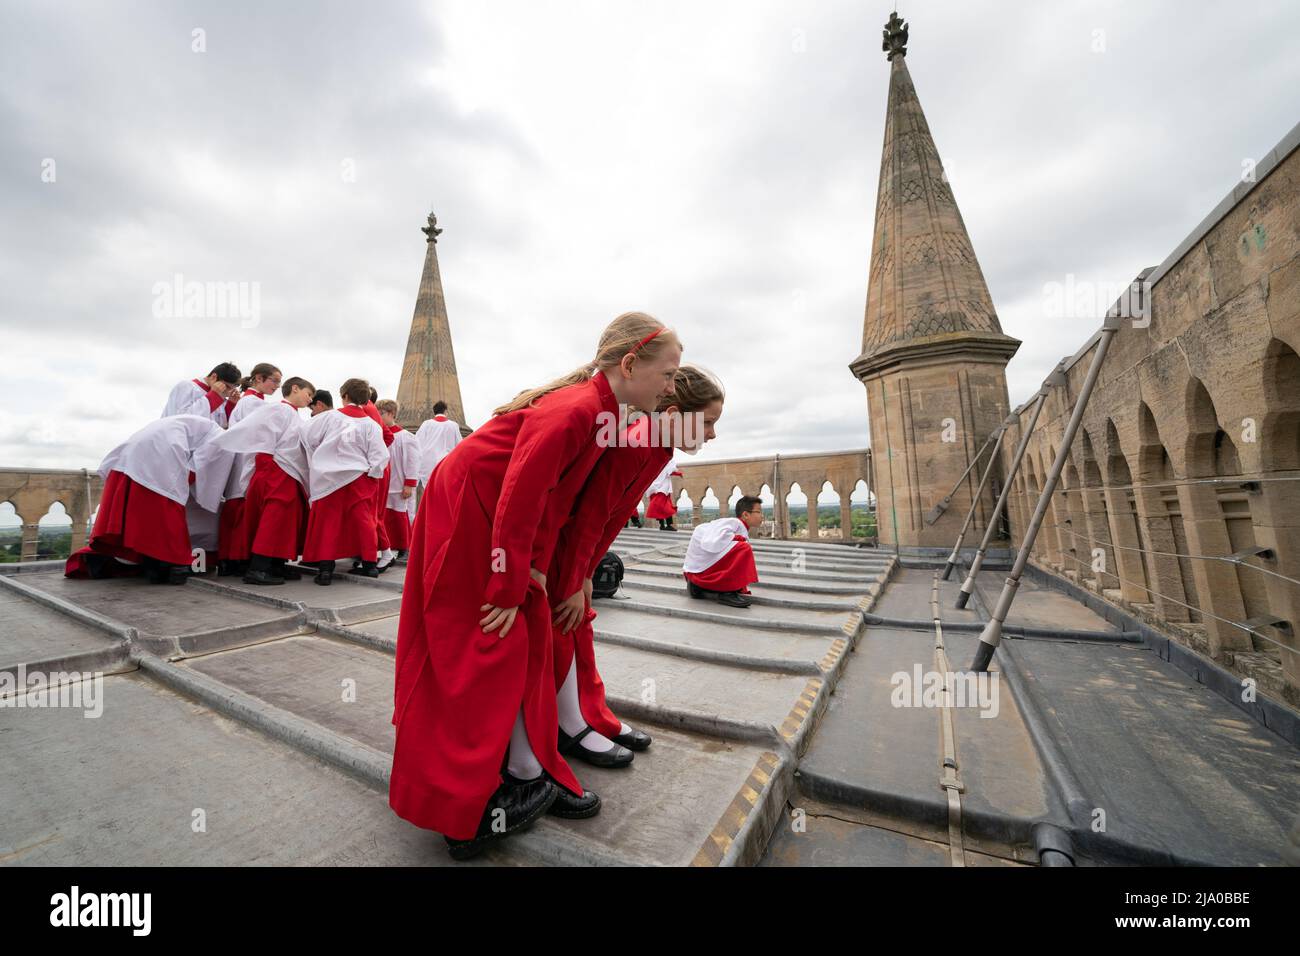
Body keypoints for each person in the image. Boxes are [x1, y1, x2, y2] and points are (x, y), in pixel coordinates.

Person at [390, 311, 681, 861]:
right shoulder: (578, 410)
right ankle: (468, 808)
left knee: (516, 641)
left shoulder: (601, 410)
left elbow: (557, 499)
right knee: (481, 643)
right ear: (629, 364)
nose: (671, 387)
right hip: (473, 507)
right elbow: (522, 494)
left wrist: (539, 570)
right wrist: (506, 584)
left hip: (490, 511)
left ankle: (524, 771)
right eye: (667, 374)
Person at [548, 365, 724, 767]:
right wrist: (575, 579)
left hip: (576, 554)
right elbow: (590, 516)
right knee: (562, 628)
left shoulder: (657, 446)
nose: (713, 434)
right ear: (676, 414)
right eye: (709, 422)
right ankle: (569, 726)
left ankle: (588, 715)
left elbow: (612, 518)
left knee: (578, 627)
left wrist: (588, 574)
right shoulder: (637, 442)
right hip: (559, 548)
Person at [65, 415, 229, 584]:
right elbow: (203, 474)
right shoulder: (221, 437)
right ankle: (169, 567)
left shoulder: (197, 424)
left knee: (140, 525)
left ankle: (108, 561)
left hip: (136, 453)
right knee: (167, 518)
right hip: (162, 454)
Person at [198, 378, 315, 585]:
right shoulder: (279, 410)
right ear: (295, 388)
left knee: (286, 520)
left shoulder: (293, 415)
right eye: (309, 393)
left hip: (288, 472)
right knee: (274, 519)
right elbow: (265, 439)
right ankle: (258, 567)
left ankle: (276, 563)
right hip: (277, 470)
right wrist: (268, 468)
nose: (310, 399)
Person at [300, 379, 389, 585]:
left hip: (329, 476)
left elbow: (308, 436)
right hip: (359, 476)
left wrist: (319, 456)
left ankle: (325, 569)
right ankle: (369, 565)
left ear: (344, 396)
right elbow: (379, 455)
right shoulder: (371, 425)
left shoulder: (329, 417)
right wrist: (372, 473)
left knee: (328, 522)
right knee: (364, 521)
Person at [215, 363, 283, 575]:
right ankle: (237, 559)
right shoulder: (253, 402)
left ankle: (231, 559)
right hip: (249, 459)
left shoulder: (251, 401)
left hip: (245, 458)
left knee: (238, 509)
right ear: (259, 378)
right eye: (274, 381)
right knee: (241, 510)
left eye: (279, 383)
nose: (277, 386)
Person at [682, 496, 764, 608]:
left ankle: (698, 586)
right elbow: (713, 542)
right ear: (745, 515)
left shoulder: (736, 525)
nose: (762, 516)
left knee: (740, 547)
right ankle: (727, 592)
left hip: (697, 570)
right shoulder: (735, 522)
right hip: (699, 569)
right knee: (744, 548)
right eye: (758, 512)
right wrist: (738, 539)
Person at [376, 399, 419, 560]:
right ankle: (389, 545)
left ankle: (404, 546)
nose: (379, 417)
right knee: (385, 517)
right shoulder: (378, 435)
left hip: (400, 483)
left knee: (401, 515)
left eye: (381, 414)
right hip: (383, 483)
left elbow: (412, 461)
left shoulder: (406, 437)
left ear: (391, 414)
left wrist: (409, 483)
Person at [162, 363, 242, 427]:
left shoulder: (219, 396)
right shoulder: (187, 386)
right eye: (226, 386)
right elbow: (182, 419)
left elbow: (218, 427)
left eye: (232, 389)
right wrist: (213, 397)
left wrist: (230, 406)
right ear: (214, 377)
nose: (228, 393)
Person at [414, 400, 462, 487]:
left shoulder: (426, 424)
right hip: (447, 462)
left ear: (434, 412)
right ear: (445, 411)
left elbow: (417, 442)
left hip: (428, 463)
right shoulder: (453, 425)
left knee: (430, 491)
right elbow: (460, 446)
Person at [644, 459, 683, 530]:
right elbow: (669, 471)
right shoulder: (665, 464)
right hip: (662, 489)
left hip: (656, 488)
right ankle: (667, 525)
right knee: (665, 507)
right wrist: (679, 474)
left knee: (660, 507)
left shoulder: (656, 464)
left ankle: (662, 525)